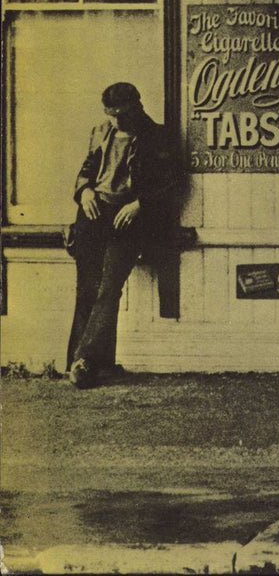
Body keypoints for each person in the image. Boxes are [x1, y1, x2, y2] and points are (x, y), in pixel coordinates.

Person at [66, 82, 178, 389]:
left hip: (128, 220)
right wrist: (84, 190)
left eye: (122, 115)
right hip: (92, 215)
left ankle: (82, 362)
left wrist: (139, 205)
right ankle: (94, 364)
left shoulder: (158, 137)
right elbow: (86, 169)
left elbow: (171, 184)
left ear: (138, 107)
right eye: (110, 115)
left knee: (109, 288)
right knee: (87, 288)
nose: (116, 121)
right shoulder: (102, 131)